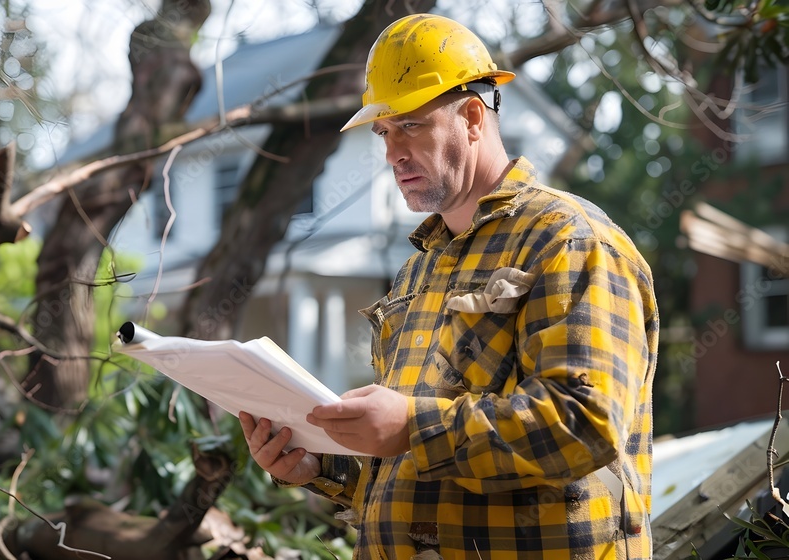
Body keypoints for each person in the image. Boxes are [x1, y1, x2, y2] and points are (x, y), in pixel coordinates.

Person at [238, 13, 658, 560]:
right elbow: (416, 464)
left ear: (473, 117)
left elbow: (585, 423)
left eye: (411, 125)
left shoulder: (569, 241)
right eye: (384, 132)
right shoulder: (419, 270)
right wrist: (318, 464)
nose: (391, 153)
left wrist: (413, 424)